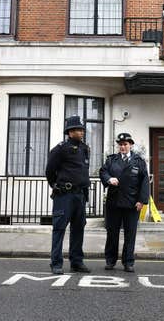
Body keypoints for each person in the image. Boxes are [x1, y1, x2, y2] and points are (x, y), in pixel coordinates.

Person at [45, 115, 92, 275]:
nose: (82, 132)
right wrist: (56, 186)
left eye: (82, 129)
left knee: (78, 229)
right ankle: (56, 263)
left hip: (80, 195)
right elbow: (50, 171)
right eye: (79, 130)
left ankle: (76, 262)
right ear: (70, 132)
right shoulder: (60, 148)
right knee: (59, 229)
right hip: (64, 195)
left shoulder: (85, 148)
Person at [99, 133, 149, 272]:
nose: (122, 147)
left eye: (125, 144)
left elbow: (144, 181)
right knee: (112, 233)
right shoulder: (111, 160)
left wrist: (141, 201)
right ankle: (110, 261)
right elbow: (103, 172)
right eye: (120, 144)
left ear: (131, 145)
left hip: (132, 203)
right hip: (113, 203)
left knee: (130, 234)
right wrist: (109, 179)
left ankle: (128, 262)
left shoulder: (139, 161)